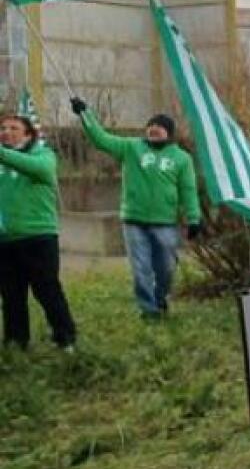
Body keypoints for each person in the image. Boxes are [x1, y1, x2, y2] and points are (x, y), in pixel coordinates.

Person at [71, 97, 200, 319]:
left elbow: (188, 190)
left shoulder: (182, 158)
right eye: (151, 126)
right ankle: (148, 310)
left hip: (166, 222)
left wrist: (194, 217)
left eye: (159, 127)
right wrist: (85, 114)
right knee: (141, 268)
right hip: (134, 221)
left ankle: (160, 299)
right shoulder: (131, 147)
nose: (154, 129)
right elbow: (101, 139)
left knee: (166, 268)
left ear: (169, 132)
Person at [0, 114, 77, 350]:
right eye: (2, 128)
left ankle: (65, 338)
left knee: (47, 290)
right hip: (6, 239)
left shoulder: (43, 155)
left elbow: (39, 169)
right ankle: (16, 341)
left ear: (28, 134)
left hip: (38, 237)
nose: (6, 131)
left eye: (14, 128)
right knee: (11, 296)